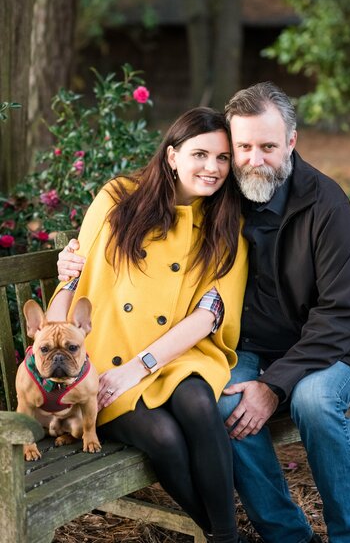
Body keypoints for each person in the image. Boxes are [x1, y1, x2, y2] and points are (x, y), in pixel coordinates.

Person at [58, 83, 350, 543]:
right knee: (228, 403)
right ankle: (287, 535)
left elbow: (341, 316)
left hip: (326, 347)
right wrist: (69, 263)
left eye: (268, 146)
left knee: (313, 402)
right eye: (242, 147)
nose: (253, 159)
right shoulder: (224, 198)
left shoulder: (325, 206)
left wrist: (274, 386)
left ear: (291, 142)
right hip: (248, 348)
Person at [47, 107, 248, 543]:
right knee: (164, 437)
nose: (212, 168)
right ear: (172, 156)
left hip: (175, 352)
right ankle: (223, 535)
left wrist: (140, 366)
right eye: (200, 154)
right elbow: (75, 275)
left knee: (197, 402)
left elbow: (210, 313)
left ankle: (225, 537)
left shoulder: (225, 222)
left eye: (223, 158)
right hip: (103, 357)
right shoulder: (118, 197)